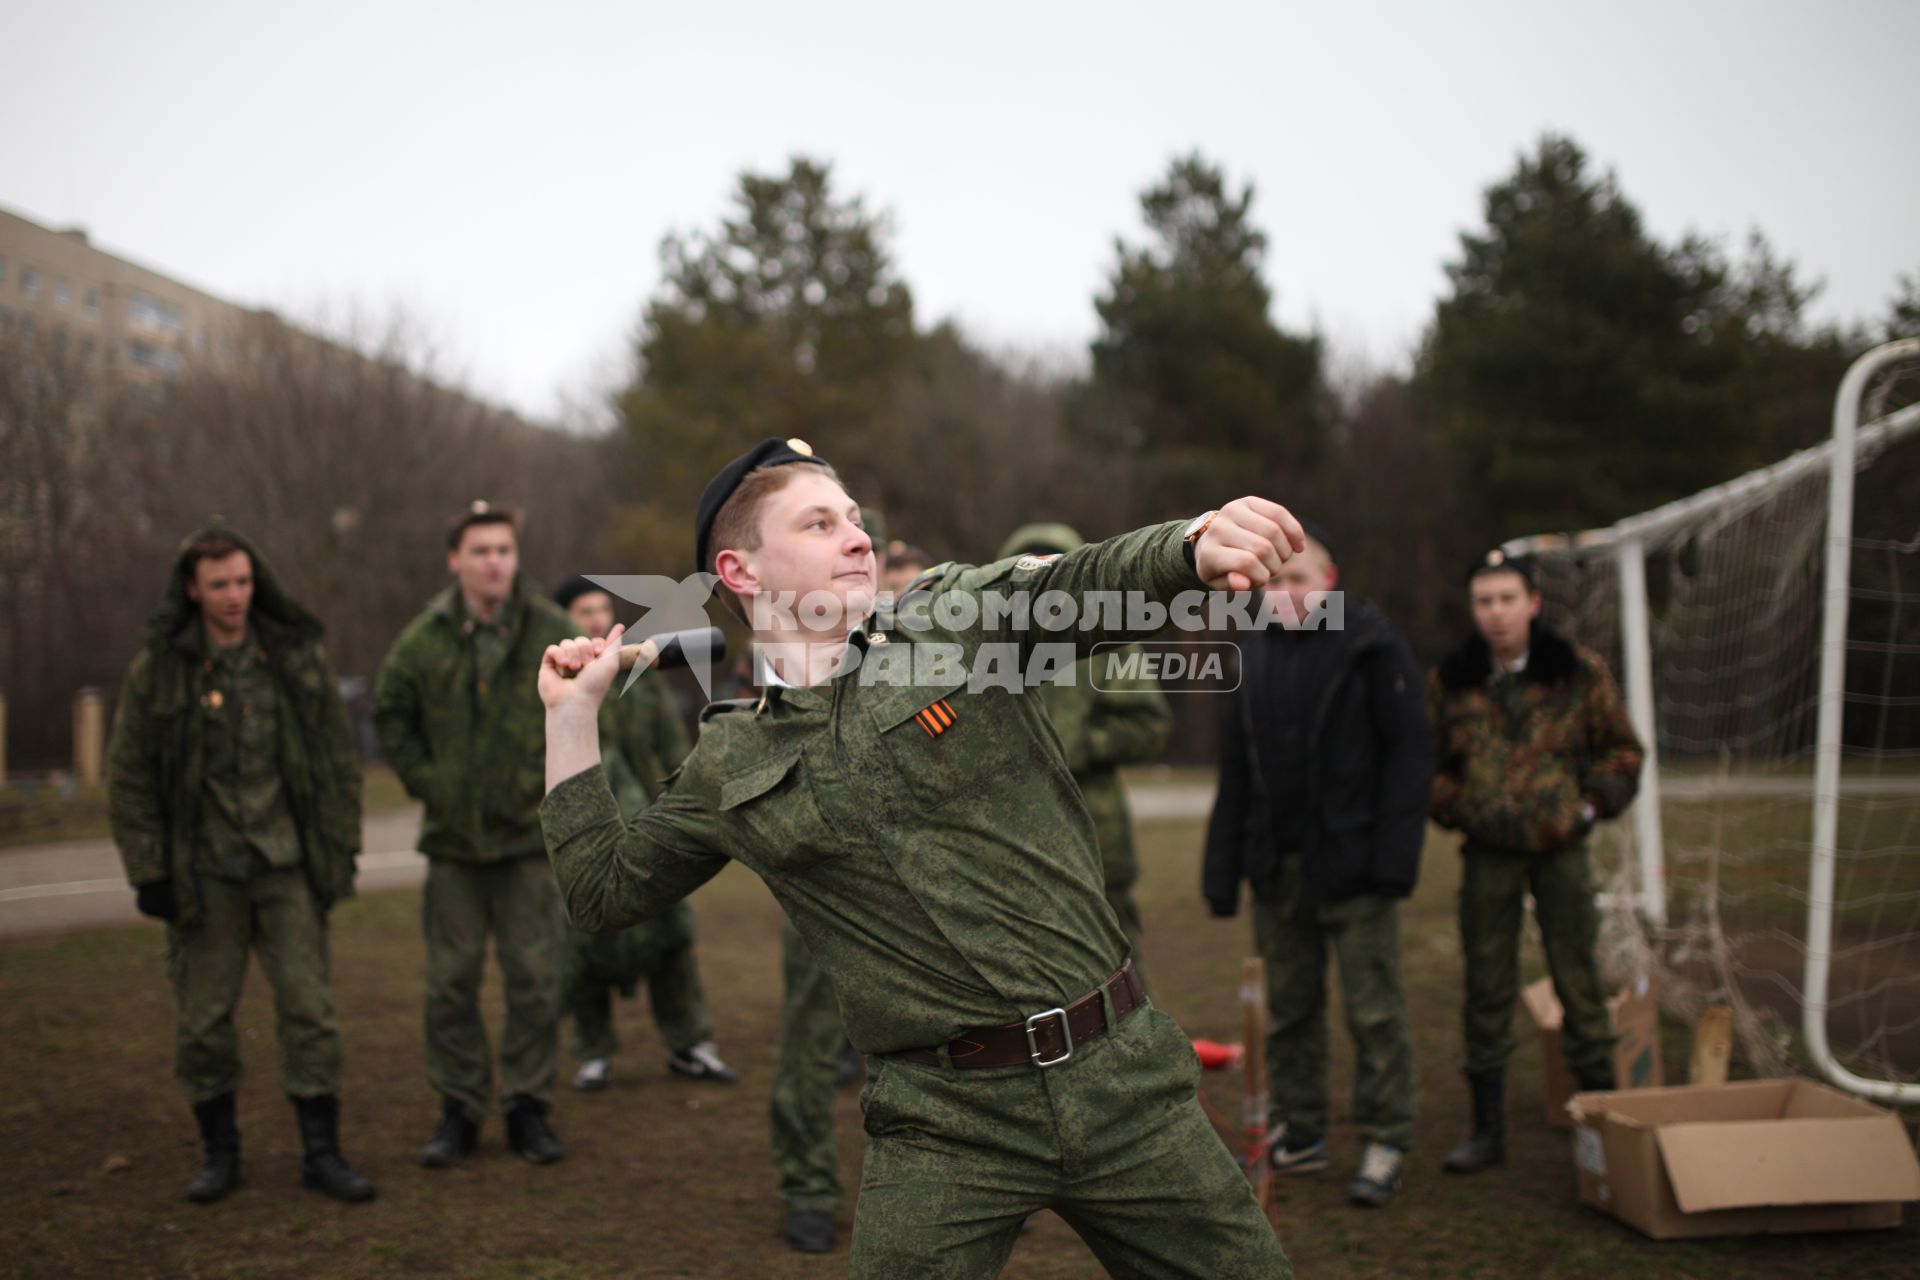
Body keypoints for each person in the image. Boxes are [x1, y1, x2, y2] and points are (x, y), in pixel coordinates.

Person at [540, 437, 1299, 1278]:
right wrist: (570, 719)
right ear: (742, 570)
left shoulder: (954, 618)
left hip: (1123, 1082)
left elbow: (1077, 587)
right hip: (946, 1126)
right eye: (820, 523)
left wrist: (1189, 547)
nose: (859, 538)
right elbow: (600, 891)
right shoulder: (729, 761)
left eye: (856, 520)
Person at [106, 524, 374, 1204]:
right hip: (204, 874)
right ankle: (219, 1153)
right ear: (192, 588)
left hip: (286, 864)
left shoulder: (292, 656)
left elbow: (338, 764)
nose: (234, 596)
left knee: (309, 1009)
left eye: (243, 582)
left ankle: (322, 1153)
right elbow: (129, 775)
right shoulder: (162, 667)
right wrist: (149, 871)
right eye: (219, 584)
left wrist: (339, 851)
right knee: (202, 1019)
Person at [1202, 523, 1429, 1207]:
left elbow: (1410, 754)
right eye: (1272, 583)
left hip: (1358, 868)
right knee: (1290, 1012)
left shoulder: (1371, 646)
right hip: (1281, 872)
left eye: (1297, 580)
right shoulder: (1254, 657)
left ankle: (1385, 1137)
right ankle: (1300, 1131)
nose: (1284, 594)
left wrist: (1394, 857)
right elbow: (1236, 774)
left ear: (1327, 581)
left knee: (1373, 1012)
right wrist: (1224, 867)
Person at [374, 502, 577, 1168]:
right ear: (454, 560)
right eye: (481, 550)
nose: (495, 562)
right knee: (450, 984)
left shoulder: (551, 628)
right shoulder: (424, 638)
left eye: (505, 550)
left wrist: (546, 779)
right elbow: (391, 713)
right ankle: (458, 1108)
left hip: (525, 843)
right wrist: (431, 781)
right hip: (455, 847)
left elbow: (587, 709)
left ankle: (527, 1108)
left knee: (535, 980)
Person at [1428, 549, 1644, 1174]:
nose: (1496, 614)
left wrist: (1587, 808)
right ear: (1473, 610)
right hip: (1488, 856)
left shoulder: (1577, 671)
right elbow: (1428, 765)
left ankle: (1601, 1121)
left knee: (1578, 980)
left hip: (1562, 852)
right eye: (1484, 602)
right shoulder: (1453, 680)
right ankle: (1486, 1129)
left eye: (1507, 600)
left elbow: (1623, 752)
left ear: (1532, 604)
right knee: (1486, 985)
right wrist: (1462, 806)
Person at [552, 576, 737, 1093]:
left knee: (671, 937)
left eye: (602, 609)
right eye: (584, 610)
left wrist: (680, 798)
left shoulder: (643, 675)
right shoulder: (559, 678)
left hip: (649, 824)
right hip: (584, 827)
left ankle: (688, 1044)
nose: (594, 618)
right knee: (585, 945)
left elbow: (671, 747)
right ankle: (593, 1053)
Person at [996, 522, 1172, 985]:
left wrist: (1083, 745)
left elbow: (1148, 724)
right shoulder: (987, 644)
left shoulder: (1107, 643)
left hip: (1095, 832)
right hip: (1011, 834)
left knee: (1119, 967)